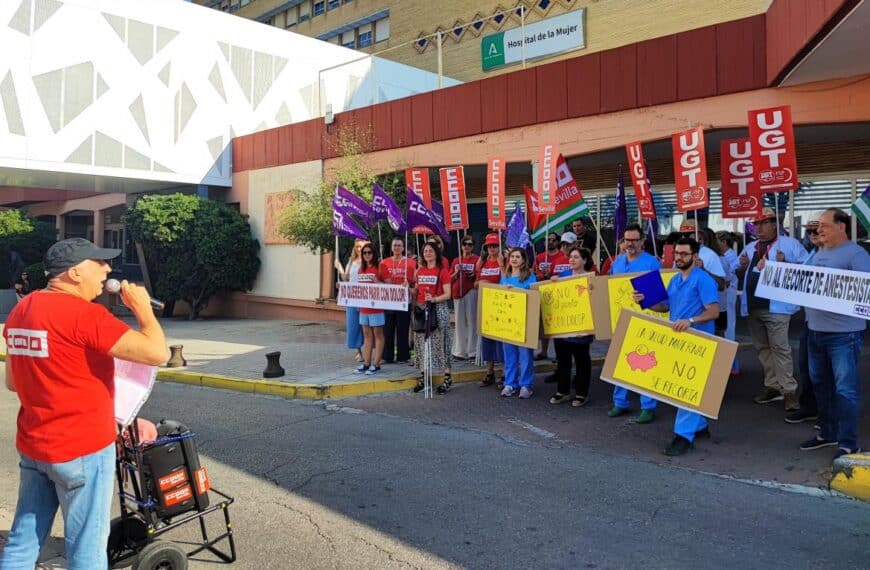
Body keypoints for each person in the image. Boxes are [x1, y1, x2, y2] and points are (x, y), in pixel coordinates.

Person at [1, 238, 167, 569]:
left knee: (24, 539)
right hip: (82, 448)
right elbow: (158, 353)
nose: (107, 269)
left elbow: (13, 382)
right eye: (99, 263)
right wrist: (143, 310)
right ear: (75, 273)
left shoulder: (22, 310)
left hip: (35, 447)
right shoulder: (86, 315)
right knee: (87, 546)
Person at [633, 237, 720, 456]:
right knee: (683, 388)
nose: (679, 258)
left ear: (695, 256)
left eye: (684, 254)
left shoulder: (703, 279)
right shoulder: (674, 279)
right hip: (677, 341)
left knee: (686, 389)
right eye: (677, 254)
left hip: (698, 341)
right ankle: (699, 427)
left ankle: (683, 436)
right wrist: (644, 301)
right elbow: (665, 307)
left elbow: (713, 311)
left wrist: (690, 321)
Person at [799, 209, 870, 458]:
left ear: (842, 226)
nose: (819, 231)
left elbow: (865, 288)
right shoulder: (820, 252)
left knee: (845, 389)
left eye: (824, 226)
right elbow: (802, 278)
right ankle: (827, 434)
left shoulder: (856, 254)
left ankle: (848, 442)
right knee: (821, 385)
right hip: (815, 331)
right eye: (818, 227)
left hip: (844, 334)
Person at [736, 207, 808, 411]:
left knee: (780, 348)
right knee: (763, 349)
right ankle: (773, 386)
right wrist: (741, 266)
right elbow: (735, 273)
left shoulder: (790, 245)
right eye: (756, 224)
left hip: (777, 307)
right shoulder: (750, 247)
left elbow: (807, 270)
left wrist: (786, 263)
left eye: (763, 223)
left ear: (774, 224)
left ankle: (789, 391)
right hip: (753, 306)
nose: (759, 227)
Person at [608, 223, 661, 423]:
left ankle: (648, 406)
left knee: (645, 363)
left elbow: (657, 297)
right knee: (620, 362)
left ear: (642, 241)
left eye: (634, 240)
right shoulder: (617, 263)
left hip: (645, 319)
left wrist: (645, 299)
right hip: (621, 319)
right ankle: (620, 402)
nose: (630, 243)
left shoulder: (651, 263)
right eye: (627, 239)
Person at [548, 246, 596, 407]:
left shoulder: (591, 279)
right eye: (571, 257)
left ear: (584, 260)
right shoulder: (564, 276)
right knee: (563, 361)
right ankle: (563, 391)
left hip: (582, 328)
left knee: (582, 361)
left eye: (576, 257)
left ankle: (582, 393)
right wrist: (553, 283)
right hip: (563, 328)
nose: (572, 260)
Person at [786, 220, 822, 424]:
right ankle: (809, 407)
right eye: (809, 231)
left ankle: (828, 416)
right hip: (811, 319)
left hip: (831, 324)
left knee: (825, 371)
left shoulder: (835, 254)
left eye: (816, 230)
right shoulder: (812, 254)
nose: (812, 234)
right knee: (806, 366)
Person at [412, 241, 453, 394]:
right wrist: (408, 288)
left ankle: (447, 376)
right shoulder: (420, 271)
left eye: (430, 251)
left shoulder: (442, 271)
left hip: (438, 309)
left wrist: (434, 299)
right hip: (422, 311)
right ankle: (425, 376)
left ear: (436, 253)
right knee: (422, 345)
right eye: (425, 251)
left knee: (441, 344)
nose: (427, 253)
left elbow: (448, 294)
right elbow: (416, 291)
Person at [500, 248, 538, 398]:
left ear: (523, 260)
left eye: (518, 256)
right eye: (512, 256)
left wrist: (516, 291)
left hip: (525, 320)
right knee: (509, 354)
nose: (514, 259)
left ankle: (526, 385)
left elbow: (534, 296)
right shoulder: (505, 277)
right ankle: (510, 383)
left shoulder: (530, 277)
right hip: (508, 322)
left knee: (525, 354)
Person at [380, 237, 415, 364]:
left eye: (399, 245)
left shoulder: (410, 262)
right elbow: (380, 280)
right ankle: (387, 356)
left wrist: (409, 284)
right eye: (395, 245)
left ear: (403, 248)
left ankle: (403, 356)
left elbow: (415, 281)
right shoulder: (384, 262)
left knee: (403, 329)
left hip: (404, 300)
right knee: (388, 329)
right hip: (389, 300)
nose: (397, 248)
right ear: (391, 247)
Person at [476, 233, 505, 387]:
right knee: (487, 340)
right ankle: (490, 372)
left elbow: (507, 280)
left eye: (495, 246)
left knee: (501, 341)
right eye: (490, 246)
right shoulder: (483, 263)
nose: (492, 249)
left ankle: (505, 373)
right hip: (486, 306)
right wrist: (482, 283)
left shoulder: (504, 261)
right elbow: (475, 282)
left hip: (501, 306)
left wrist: (501, 265)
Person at [535, 233, 567, 361]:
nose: (550, 242)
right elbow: (535, 273)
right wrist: (542, 275)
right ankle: (543, 351)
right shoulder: (539, 257)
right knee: (544, 323)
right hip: (544, 293)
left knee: (559, 324)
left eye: (553, 240)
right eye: (547, 240)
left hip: (560, 295)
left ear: (558, 242)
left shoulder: (563, 257)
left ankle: (561, 354)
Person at [335, 239, 368, 362]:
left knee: (366, 326)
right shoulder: (351, 261)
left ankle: (368, 351)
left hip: (365, 298)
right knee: (353, 325)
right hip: (352, 299)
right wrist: (339, 268)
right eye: (357, 247)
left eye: (361, 247)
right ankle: (358, 351)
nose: (359, 249)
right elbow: (346, 278)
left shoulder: (369, 262)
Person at [354, 244, 385, 375]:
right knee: (367, 335)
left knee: (378, 335)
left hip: (376, 308)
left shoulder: (380, 267)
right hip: (364, 308)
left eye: (369, 252)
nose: (367, 255)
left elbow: (389, 286)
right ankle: (366, 363)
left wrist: (377, 282)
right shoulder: (361, 269)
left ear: (374, 253)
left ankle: (376, 363)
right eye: (364, 253)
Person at [715, 231, 741, 375]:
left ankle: (732, 364)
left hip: (727, 296)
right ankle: (732, 364)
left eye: (716, 241)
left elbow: (727, 277)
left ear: (724, 242)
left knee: (728, 329)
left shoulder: (727, 258)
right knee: (727, 329)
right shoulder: (726, 257)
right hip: (725, 297)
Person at [451, 235, 479, 360]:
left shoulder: (477, 259)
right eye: (465, 244)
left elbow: (479, 275)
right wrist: (456, 273)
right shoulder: (456, 260)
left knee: (472, 321)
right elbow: (450, 278)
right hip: (457, 292)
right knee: (459, 322)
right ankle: (459, 351)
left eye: (470, 244)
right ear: (461, 246)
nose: (467, 247)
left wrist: (473, 275)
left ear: (473, 246)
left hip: (471, 291)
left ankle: (472, 350)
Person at [677, 220, 727, 291]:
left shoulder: (709, 255)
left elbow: (721, 285)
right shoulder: (679, 254)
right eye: (681, 235)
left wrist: (703, 270)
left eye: (687, 234)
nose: (683, 238)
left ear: (698, 236)